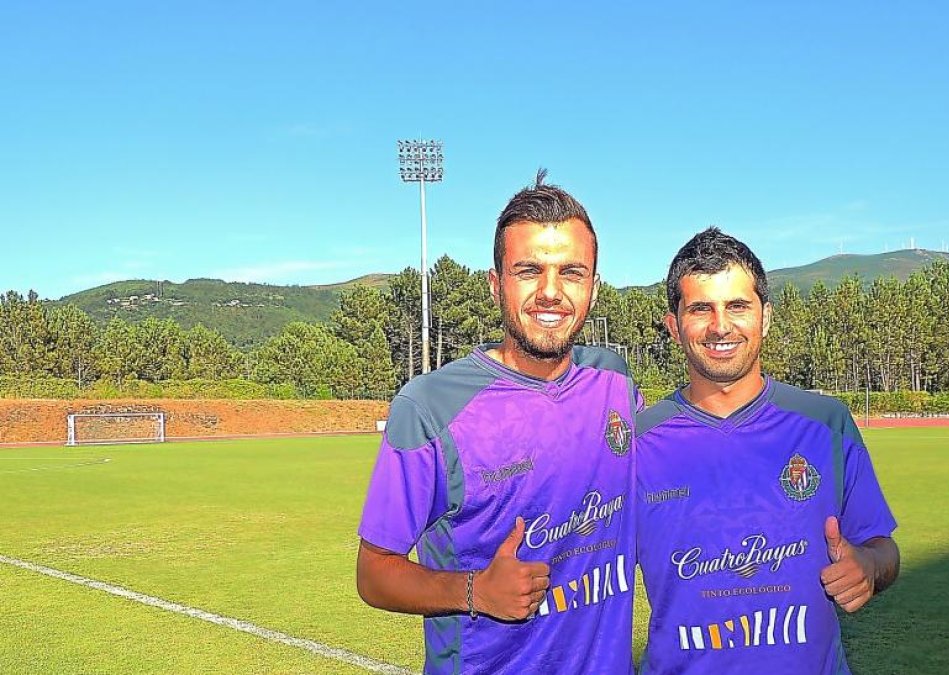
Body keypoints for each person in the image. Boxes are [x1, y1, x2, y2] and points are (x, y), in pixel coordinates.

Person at [357, 171, 638, 674]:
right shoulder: (430, 407)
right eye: (529, 270)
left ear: (593, 287)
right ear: (495, 284)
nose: (550, 292)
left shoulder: (614, 381)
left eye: (571, 272)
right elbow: (373, 574)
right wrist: (475, 592)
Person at [636, 227, 899, 674]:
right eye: (701, 308)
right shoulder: (638, 444)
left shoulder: (826, 423)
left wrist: (870, 566)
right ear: (674, 326)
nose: (721, 325)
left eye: (737, 306)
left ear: (766, 317)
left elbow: (884, 548)